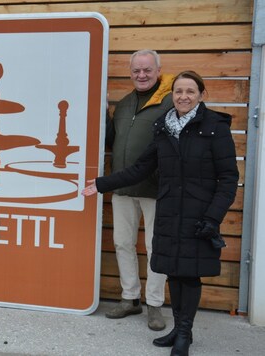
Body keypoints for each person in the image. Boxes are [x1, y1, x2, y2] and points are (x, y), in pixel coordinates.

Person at [83, 70, 239, 355]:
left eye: (190, 91)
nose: (183, 96)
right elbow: (141, 168)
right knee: (176, 272)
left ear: (201, 95)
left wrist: (213, 217)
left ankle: (184, 334)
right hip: (169, 211)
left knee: (190, 275)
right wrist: (102, 184)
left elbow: (229, 178)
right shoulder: (164, 127)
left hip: (199, 215)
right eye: (179, 91)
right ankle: (179, 330)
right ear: (172, 95)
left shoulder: (215, 127)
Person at [104, 49, 174, 330]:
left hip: (157, 189)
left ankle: (155, 305)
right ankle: (130, 298)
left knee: (155, 246)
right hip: (123, 186)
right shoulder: (123, 105)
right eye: (136, 71)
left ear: (158, 70)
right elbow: (111, 141)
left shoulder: (170, 102)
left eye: (147, 70)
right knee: (123, 243)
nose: (141, 75)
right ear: (130, 73)